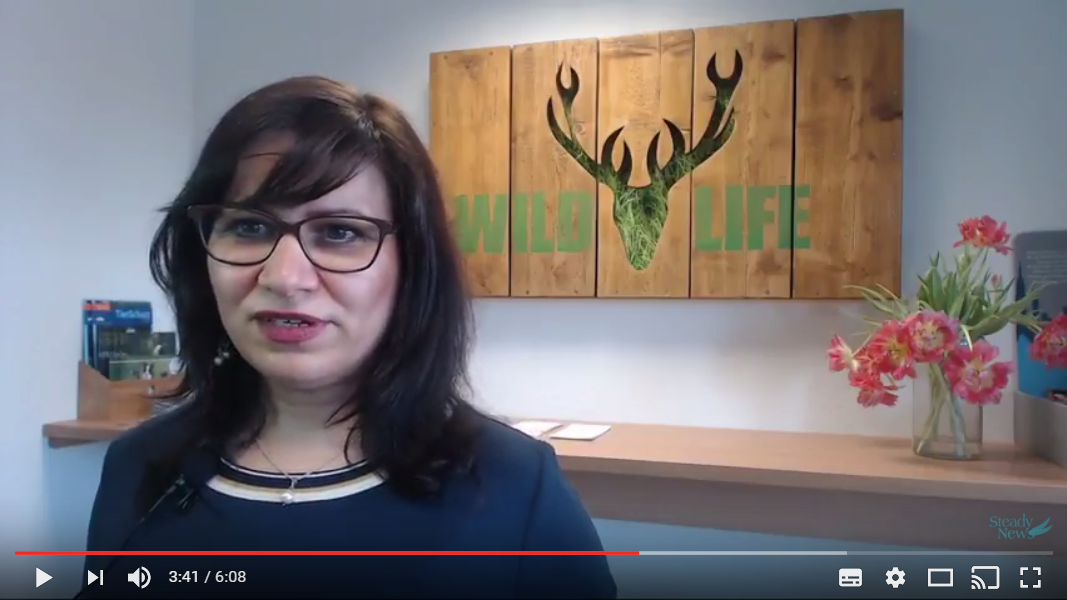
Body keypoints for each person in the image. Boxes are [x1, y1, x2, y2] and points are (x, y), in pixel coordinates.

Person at [81, 75, 617, 599]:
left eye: (339, 232)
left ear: (411, 266)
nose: (284, 277)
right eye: (249, 227)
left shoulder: (515, 487)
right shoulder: (140, 467)